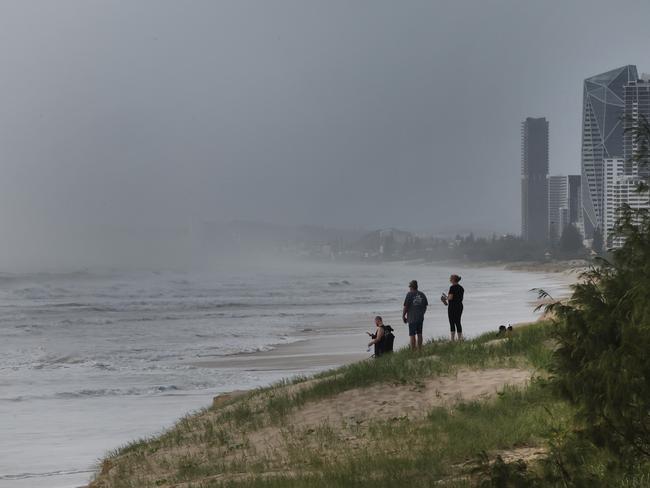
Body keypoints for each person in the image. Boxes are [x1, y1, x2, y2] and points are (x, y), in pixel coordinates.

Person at [402, 280, 428, 350]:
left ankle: (413, 350)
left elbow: (406, 307)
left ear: (411, 287)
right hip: (420, 318)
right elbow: (425, 306)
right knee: (419, 334)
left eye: (410, 286)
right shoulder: (422, 294)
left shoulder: (409, 294)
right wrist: (422, 313)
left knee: (412, 335)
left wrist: (403, 316)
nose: (409, 288)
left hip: (412, 318)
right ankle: (419, 349)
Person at [441, 274, 464, 341]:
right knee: (458, 322)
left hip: (453, 306)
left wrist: (445, 298)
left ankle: (452, 339)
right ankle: (460, 338)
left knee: (452, 322)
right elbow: (457, 297)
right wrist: (446, 298)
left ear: (453, 280)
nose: (450, 280)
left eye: (450, 279)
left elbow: (450, 298)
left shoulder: (452, 287)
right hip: (459, 306)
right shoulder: (461, 288)